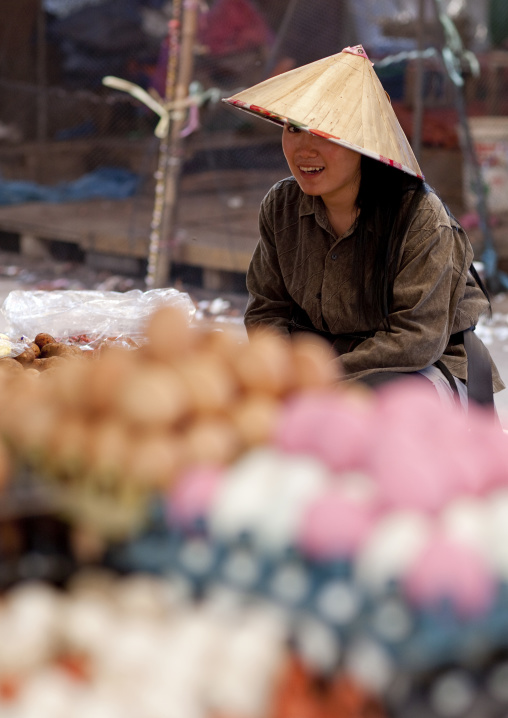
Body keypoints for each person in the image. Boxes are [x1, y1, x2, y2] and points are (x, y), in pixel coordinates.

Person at [223, 45, 505, 410]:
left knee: (368, 408)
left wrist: (319, 378)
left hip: (418, 373)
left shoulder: (420, 218)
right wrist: (281, 371)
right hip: (318, 372)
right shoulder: (281, 207)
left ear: (364, 143)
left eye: (326, 131)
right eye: (294, 127)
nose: (304, 148)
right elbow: (267, 312)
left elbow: (415, 341)